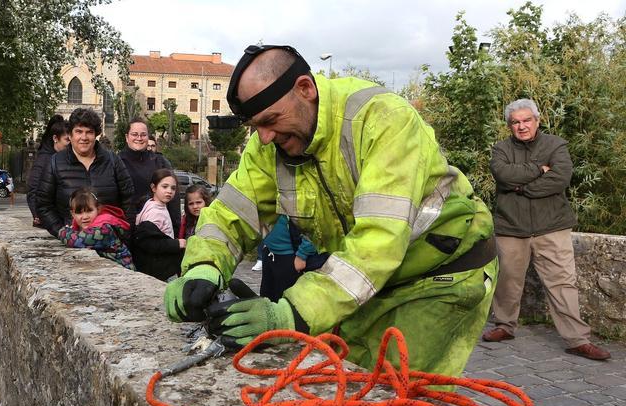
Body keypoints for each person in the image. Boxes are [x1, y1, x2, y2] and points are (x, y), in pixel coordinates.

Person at [164, 44, 498, 378]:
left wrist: (290, 315)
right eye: (255, 126)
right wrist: (203, 268)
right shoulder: (271, 145)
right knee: (349, 382)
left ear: (305, 89)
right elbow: (230, 214)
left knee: (397, 398)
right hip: (375, 282)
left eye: (270, 121)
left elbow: (378, 243)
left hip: (440, 275)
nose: (264, 138)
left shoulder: (382, 119)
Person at [482, 99, 610, 361]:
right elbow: (504, 176)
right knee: (507, 281)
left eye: (527, 120)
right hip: (511, 226)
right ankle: (504, 326)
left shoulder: (556, 145)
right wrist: (538, 170)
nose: (522, 126)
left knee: (562, 282)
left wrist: (522, 188)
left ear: (538, 121)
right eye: (516, 122)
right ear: (509, 126)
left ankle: (577, 339)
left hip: (551, 226)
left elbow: (559, 179)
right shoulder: (501, 150)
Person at [37, 108, 134, 237]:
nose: (84, 137)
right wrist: (62, 232)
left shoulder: (113, 161)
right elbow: (43, 204)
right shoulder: (55, 163)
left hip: (110, 241)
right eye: (79, 131)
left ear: (96, 135)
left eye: (89, 132)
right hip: (72, 243)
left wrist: (121, 232)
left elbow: (128, 199)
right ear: (70, 135)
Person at [119, 118, 180, 232]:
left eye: (143, 135)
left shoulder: (160, 161)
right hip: (125, 225)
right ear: (127, 137)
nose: (139, 138)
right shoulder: (116, 162)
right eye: (134, 134)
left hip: (156, 227)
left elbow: (174, 197)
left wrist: (176, 229)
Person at [57, 188, 135, 270]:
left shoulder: (104, 228)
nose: (85, 217)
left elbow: (76, 240)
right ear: (72, 214)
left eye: (89, 211)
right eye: (79, 212)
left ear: (98, 209)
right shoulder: (77, 226)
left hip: (122, 272)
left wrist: (63, 231)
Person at [258, 215, 328, 303]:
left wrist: (302, 254)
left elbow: (315, 225)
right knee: (267, 298)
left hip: (291, 257)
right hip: (269, 252)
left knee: (286, 301)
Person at [132, 168, 185, 281]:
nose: (169, 191)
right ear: (154, 188)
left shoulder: (151, 203)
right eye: (164, 186)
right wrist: (176, 244)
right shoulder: (155, 213)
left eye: (173, 188)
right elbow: (150, 242)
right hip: (159, 269)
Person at [28, 115, 70, 227]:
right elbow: (33, 190)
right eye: (67, 140)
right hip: (49, 223)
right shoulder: (44, 160)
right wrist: (38, 215)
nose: (70, 144)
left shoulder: (63, 157)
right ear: (55, 139)